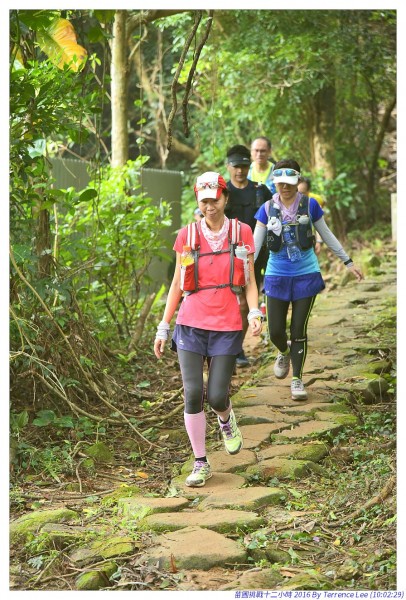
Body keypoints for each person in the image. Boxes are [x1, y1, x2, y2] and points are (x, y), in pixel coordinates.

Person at [154, 171, 263, 487]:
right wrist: (163, 326)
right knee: (192, 393)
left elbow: (250, 280)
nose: (209, 206)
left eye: (214, 200)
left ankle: (226, 418)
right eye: (204, 201)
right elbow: (177, 283)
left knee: (216, 396)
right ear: (198, 201)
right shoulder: (187, 236)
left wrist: (254, 311)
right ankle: (200, 462)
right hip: (190, 324)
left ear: (225, 198)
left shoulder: (241, 233)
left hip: (227, 325)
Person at [253, 159, 363, 400]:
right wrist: (241, 273)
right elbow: (255, 246)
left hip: (306, 274)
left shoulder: (310, 205)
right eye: (280, 183)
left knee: (298, 328)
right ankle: (284, 352)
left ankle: (297, 379)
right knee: (275, 331)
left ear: (298, 181)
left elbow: (327, 234)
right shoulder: (266, 209)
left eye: (289, 182)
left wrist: (348, 262)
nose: (285, 187)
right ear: (275, 182)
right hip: (276, 275)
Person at [225, 144, 272, 367]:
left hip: (256, 256)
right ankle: (226, 349)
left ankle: (236, 348)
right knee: (229, 304)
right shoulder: (221, 193)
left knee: (244, 304)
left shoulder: (260, 191)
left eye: (244, 166)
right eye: (236, 166)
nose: (240, 171)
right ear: (228, 166)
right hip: (226, 256)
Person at [298, 176, 325, 255]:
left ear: (308, 191)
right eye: (296, 192)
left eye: (302, 193)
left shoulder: (315, 200)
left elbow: (318, 220)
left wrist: (319, 241)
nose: (298, 196)